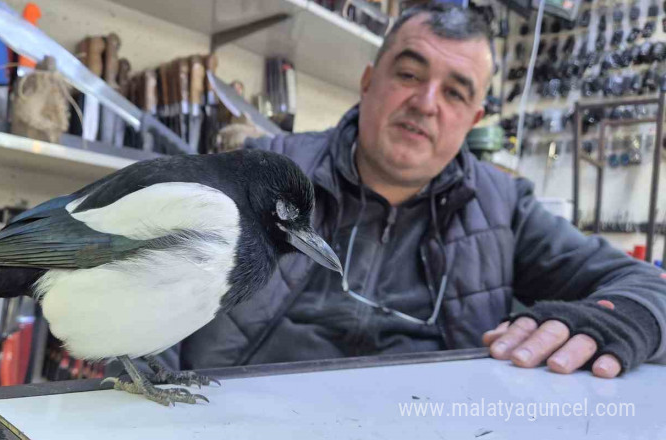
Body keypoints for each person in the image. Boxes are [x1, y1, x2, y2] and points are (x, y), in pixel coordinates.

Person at [165, 3, 666, 378]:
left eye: (455, 92)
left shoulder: (506, 208)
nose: (426, 103)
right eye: (408, 74)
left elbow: (650, 287)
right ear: (367, 81)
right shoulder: (258, 175)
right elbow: (151, 281)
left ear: (473, 120)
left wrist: (623, 320)